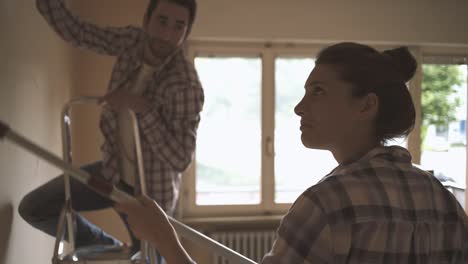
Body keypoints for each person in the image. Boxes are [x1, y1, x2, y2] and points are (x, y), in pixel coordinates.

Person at [116, 42, 468, 263]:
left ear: (366, 106)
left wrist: (165, 241)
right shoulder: (445, 202)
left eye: (317, 92)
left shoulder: (328, 205)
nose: (299, 108)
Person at [18, 0, 204, 259]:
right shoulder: (132, 41)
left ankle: (136, 254)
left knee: (149, 259)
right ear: (146, 20)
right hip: (113, 173)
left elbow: (180, 158)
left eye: (178, 26)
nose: (167, 34)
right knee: (34, 208)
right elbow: (80, 33)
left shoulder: (186, 85)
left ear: (187, 32)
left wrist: (143, 109)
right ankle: (115, 248)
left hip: (150, 196)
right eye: (162, 21)